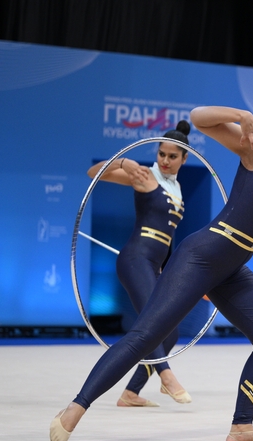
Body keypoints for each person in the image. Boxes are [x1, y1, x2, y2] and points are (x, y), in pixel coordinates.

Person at [50, 92, 253, 441]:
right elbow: (199, 118)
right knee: (146, 337)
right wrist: (242, 114)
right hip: (199, 258)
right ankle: (75, 408)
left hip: (231, 270)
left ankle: (242, 426)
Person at [86, 121, 192, 408]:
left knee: (171, 332)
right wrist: (122, 161)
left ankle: (131, 393)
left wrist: (162, 267)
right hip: (134, 259)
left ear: (185, 158)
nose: (166, 161)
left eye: (172, 156)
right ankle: (167, 376)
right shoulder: (144, 176)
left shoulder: (177, 188)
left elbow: (167, 236)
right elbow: (93, 174)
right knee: (152, 325)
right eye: (161, 154)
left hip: (153, 265)